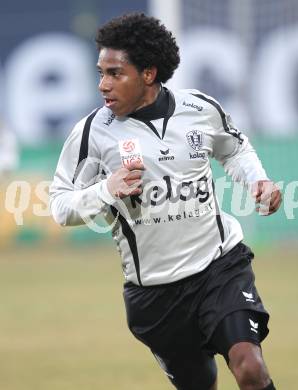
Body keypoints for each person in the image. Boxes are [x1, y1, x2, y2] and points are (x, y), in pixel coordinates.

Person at [50, 13, 282, 390]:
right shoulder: (93, 132)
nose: (103, 85)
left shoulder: (200, 109)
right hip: (155, 295)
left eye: (114, 73)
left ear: (148, 74)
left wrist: (259, 181)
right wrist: (107, 189)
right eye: (101, 72)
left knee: (250, 368)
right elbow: (60, 206)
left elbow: (234, 150)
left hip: (218, 268)